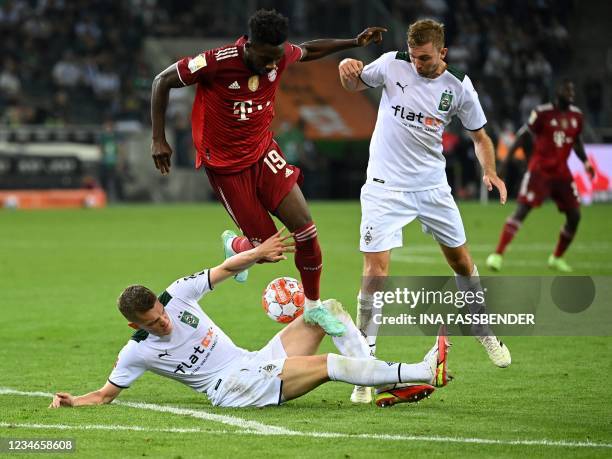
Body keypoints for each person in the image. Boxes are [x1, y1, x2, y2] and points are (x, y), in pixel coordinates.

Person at [150, 9, 386, 337]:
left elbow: (309, 50)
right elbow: (162, 80)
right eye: (268, 58)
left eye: (278, 58)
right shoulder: (216, 61)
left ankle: (314, 307)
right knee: (267, 252)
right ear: (250, 45)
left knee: (306, 232)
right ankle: (238, 246)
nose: (274, 65)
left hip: (264, 154)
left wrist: (353, 42)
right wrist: (158, 138)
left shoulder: (280, 54)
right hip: (227, 168)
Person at [49, 229, 451, 410]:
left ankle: (369, 385)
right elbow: (104, 395)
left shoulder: (178, 295)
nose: (164, 323)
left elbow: (225, 267)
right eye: (153, 324)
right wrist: (72, 402)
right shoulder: (135, 352)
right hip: (233, 387)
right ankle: (420, 371)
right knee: (325, 366)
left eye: (161, 314)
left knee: (322, 311)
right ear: (135, 327)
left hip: (251, 359)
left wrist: (259, 251)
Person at [338, 19, 511, 403]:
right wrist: (344, 69)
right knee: (375, 272)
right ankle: (364, 365)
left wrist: (490, 172)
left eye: (425, 58)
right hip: (384, 187)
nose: (417, 64)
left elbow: (480, 136)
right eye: (414, 57)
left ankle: (482, 328)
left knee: (462, 263)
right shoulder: (390, 63)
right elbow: (353, 83)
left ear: (442, 53)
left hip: (432, 187)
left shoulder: (459, 87)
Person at [486, 80, 594, 273]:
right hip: (540, 172)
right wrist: (505, 162)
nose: (570, 93)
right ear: (557, 91)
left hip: (562, 174)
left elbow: (576, 140)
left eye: (572, 90)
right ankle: (497, 255)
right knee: (522, 210)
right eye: (566, 89)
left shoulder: (577, 116)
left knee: (575, 216)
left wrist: (585, 162)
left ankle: (557, 258)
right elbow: (523, 136)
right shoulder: (542, 113)